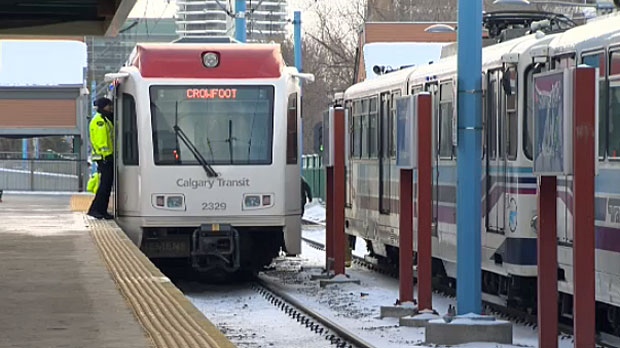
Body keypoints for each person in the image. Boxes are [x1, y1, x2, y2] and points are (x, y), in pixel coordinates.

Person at [87, 97, 115, 220]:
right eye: (109, 106)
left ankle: (101, 210)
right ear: (103, 107)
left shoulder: (104, 119)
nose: (111, 108)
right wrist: (107, 155)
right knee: (104, 186)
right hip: (105, 158)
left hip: (106, 157)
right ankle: (95, 209)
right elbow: (102, 140)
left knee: (106, 185)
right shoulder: (100, 121)